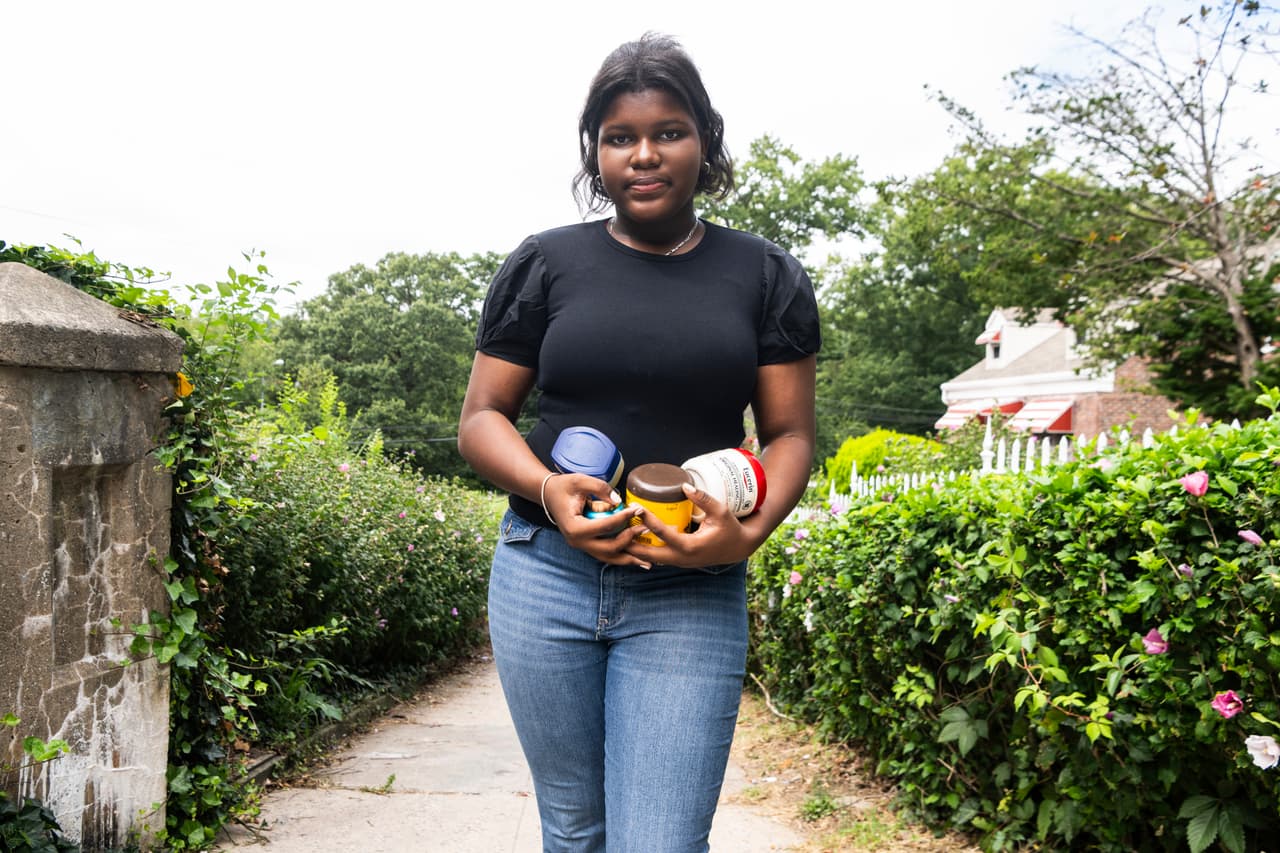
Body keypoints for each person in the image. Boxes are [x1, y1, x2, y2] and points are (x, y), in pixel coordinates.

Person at [457, 32, 819, 853]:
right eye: (620, 137)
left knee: (658, 841)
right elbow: (482, 419)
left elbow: (792, 433)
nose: (644, 155)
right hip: (544, 575)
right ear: (595, 150)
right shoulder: (544, 264)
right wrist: (550, 488)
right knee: (576, 831)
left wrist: (745, 537)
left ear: (706, 140)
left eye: (669, 132)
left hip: (691, 589)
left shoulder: (765, 275)